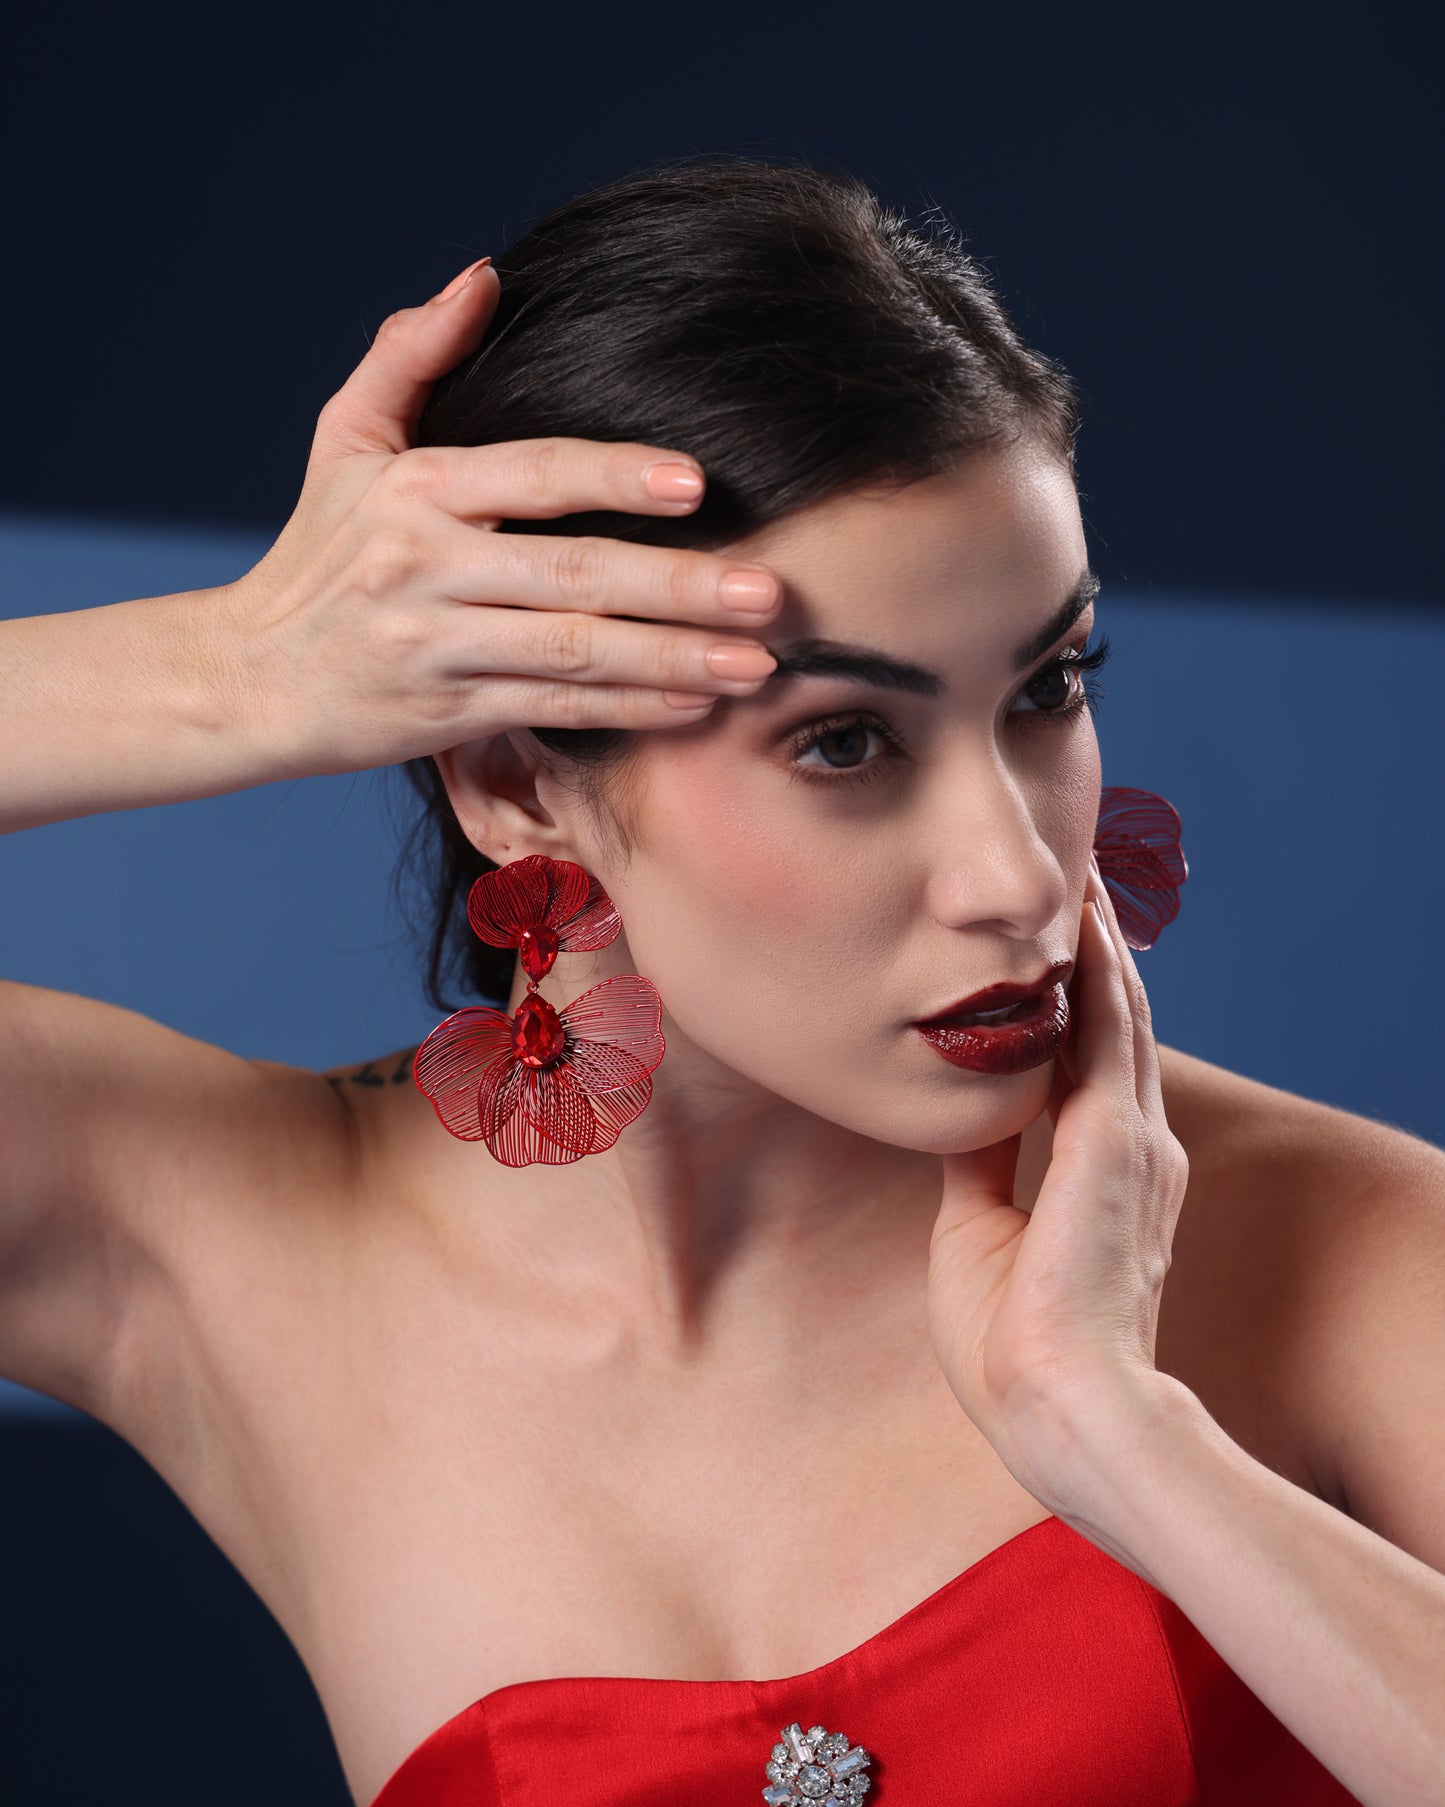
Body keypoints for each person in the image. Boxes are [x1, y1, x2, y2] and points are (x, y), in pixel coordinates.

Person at [1, 155, 1441, 1807]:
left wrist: (1126, 1440)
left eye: (1048, 686)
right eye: (842, 739)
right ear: (517, 782)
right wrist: (231, 667)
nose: (1017, 873)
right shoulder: (225, 1248)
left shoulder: (1350, 1252)